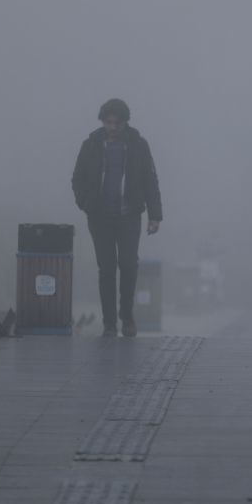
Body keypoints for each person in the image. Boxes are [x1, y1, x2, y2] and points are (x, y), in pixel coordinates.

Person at [71, 98, 163, 338]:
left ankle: (127, 315)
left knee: (129, 264)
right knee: (107, 269)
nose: (112, 127)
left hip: (129, 215)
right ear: (102, 121)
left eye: (117, 123)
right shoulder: (91, 145)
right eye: (108, 122)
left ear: (124, 123)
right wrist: (85, 203)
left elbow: (150, 180)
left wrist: (155, 216)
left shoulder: (138, 146)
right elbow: (77, 178)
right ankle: (109, 323)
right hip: (100, 217)